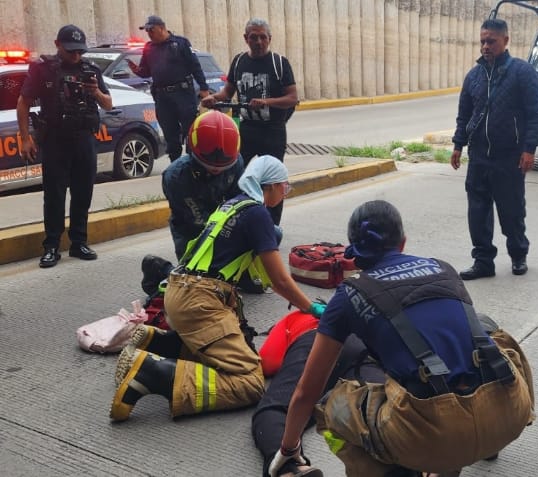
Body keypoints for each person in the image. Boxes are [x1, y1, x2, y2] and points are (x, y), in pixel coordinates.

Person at [269, 200, 535, 477]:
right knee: (486, 328)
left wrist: (288, 450)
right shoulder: (443, 268)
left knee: (331, 407)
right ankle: (478, 445)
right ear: (403, 241)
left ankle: (403, 470)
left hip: (437, 436)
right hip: (510, 412)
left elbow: (306, 392)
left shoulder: (349, 295)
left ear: (353, 249)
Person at [110, 155, 325, 422]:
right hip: (200, 302)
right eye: (285, 186)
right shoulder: (258, 214)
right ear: (270, 185)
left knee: (227, 356)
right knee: (249, 380)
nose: (285, 192)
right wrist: (311, 308)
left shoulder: (233, 205)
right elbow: (280, 281)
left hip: (179, 292)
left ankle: (159, 343)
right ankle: (153, 373)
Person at [450, 18, 538, 280]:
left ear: (505, 40)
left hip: (509, 157)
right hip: (479, 156)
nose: (485, 46)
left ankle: (518, 254)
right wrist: (458, 144)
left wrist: (529, 149)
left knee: (511, 211)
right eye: (482, 41)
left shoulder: (522, 72)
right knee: (478, 212)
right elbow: (464, 114)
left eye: (491, 41)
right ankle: (483, 262)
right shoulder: (474, 76)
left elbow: (535, 114)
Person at [16, 24, 113, 268]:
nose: (76, 55)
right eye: (71, 51)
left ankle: (79, 242)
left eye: (80, 51)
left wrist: (95, 93)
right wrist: (25, 138)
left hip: (84, 139)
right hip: (55, 140)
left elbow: (108, 104)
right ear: (57, 45)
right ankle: (51, 246)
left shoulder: (91, 70)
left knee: (83, 192)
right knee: (54, 194)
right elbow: (23, 102)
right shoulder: (43, 69)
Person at [252, 310, 386, 477]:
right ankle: (408, 463)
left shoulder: (293, 318)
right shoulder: (353, 310)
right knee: (378, 406)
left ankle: (291, 468)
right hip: (360, 349)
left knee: (277, 408)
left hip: (314, 341)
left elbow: (268, 362)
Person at [202, 18, 299, 226]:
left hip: (273, 131)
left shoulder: (279, 63)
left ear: (270, 39)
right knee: (236, 175)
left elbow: (292, 98)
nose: (259, 42)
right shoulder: (239, 61)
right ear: (246, 38)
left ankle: (271, 227)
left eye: (263, 37)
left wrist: (266, 102)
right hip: (246, 130)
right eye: (254, 37)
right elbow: (227, 92)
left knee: (272, 181)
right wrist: (214, 98)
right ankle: (239, 220)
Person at [161, 110, 245, 261]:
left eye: (222, 165)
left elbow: (239, 201)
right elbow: (196, 219)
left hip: (222, 219)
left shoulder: (236, 163)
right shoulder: (176, 177)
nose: (216, 168)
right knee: (193, 268)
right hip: (189, 229)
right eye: (210, 163)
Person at [130, 15, 210, 162]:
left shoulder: (180, 43)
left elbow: (195, 66)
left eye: (151, 30)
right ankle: (175, 164)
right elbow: (146, 71)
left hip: (183, 94)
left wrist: (204, 88)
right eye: (147, 31)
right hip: (162, 97)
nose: (149, 33)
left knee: (190, 131)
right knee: (170, 133)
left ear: (161, 28)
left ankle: (193, 163)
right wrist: (137, 71)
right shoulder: (149, 48)